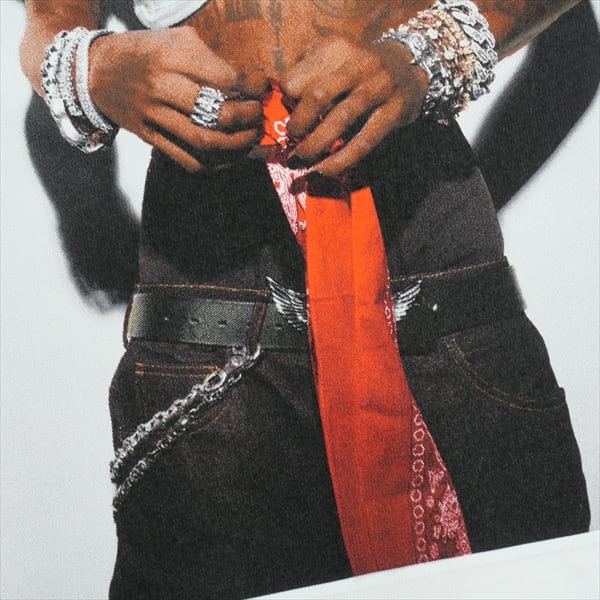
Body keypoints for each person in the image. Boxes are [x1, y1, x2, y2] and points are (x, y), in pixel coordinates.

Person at [20, 1, 591, 598]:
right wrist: (91, 67)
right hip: (213, 299)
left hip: (432, 267)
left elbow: (575, 39)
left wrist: (422, 59)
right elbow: (52, 20)